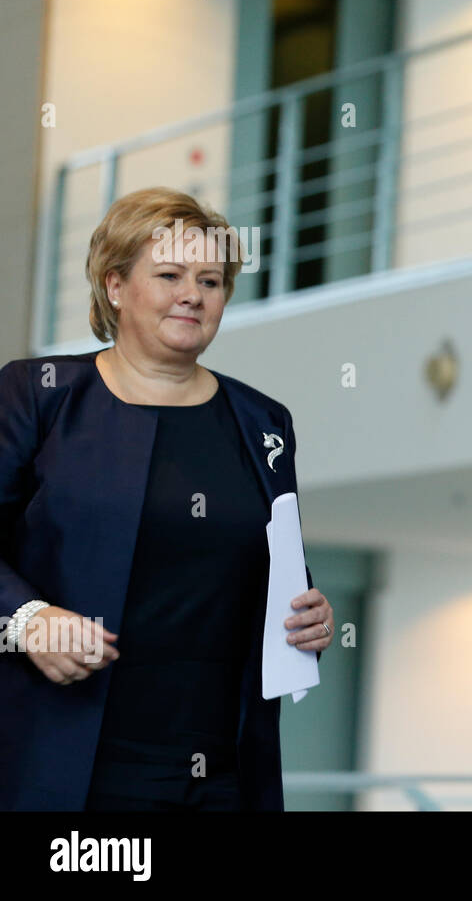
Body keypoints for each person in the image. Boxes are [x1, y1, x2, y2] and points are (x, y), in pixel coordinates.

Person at [0, 187, 333, 810]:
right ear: (116, 286)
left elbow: (277, 568)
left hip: (222, 776)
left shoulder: (262, 419)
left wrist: (310, 616)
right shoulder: (37, 395)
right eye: (170, 274)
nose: (193, 294)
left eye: (211, 280)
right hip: (65, 767)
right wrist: (26, 621)